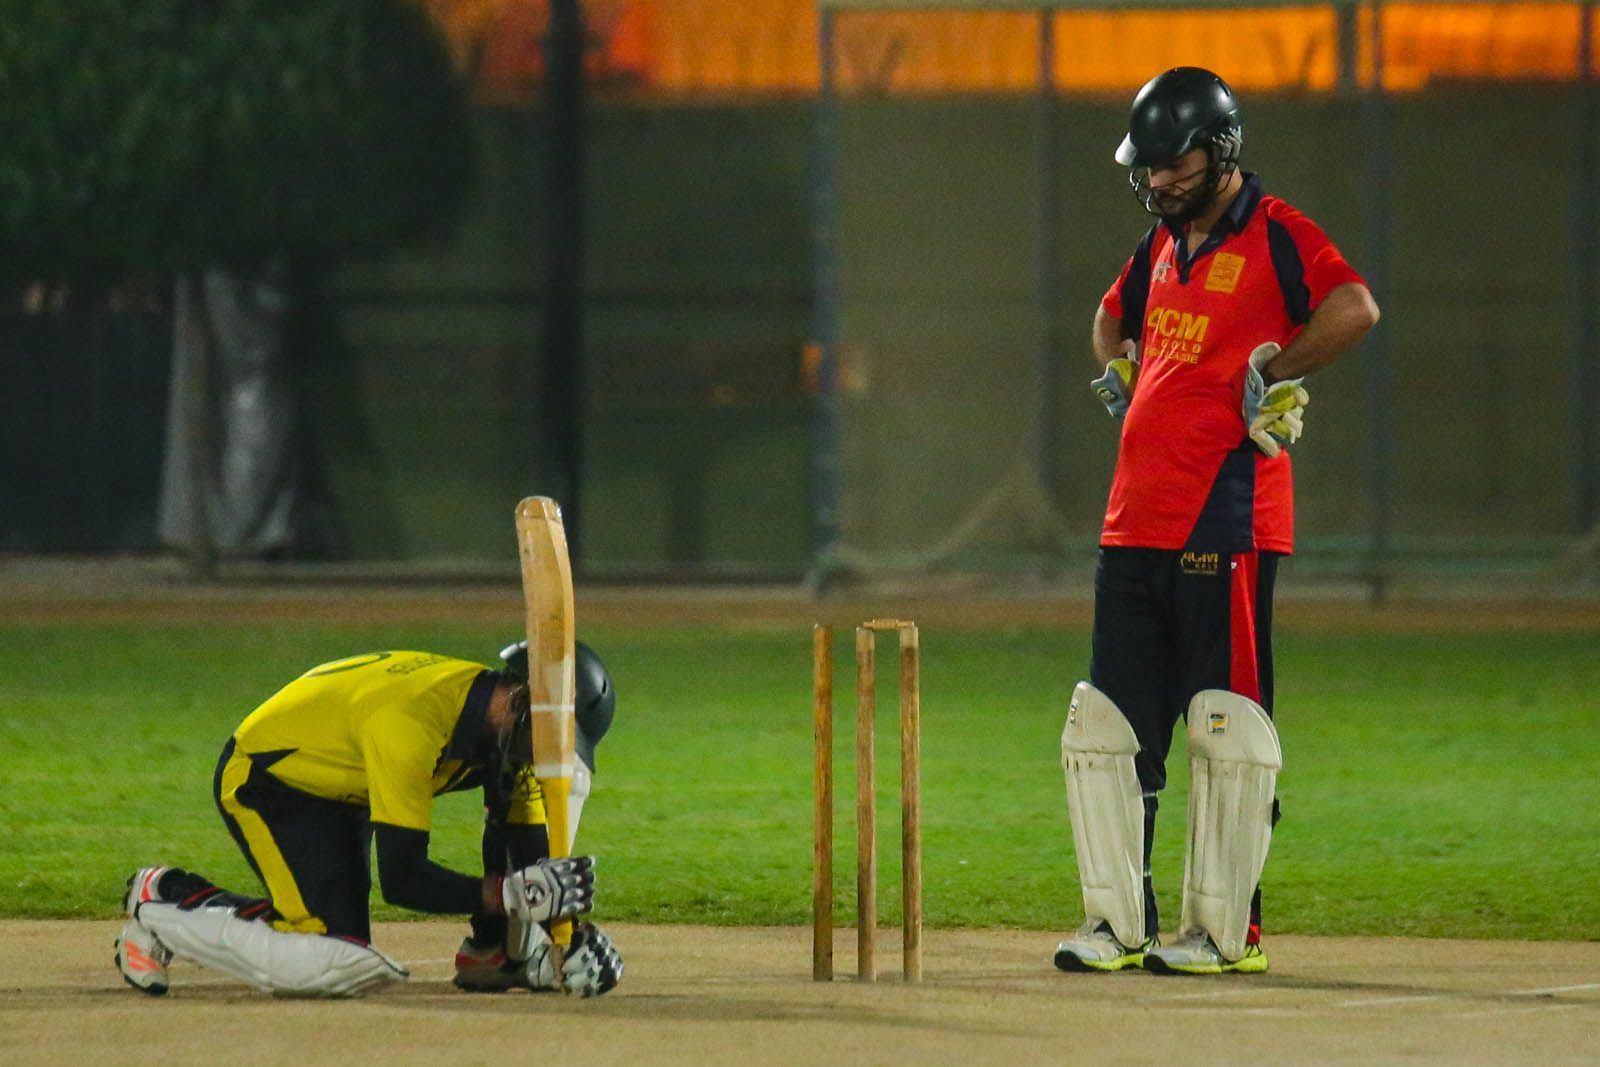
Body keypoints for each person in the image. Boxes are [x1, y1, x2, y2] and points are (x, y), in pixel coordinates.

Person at [1053, 67, 1379, 976]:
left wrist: (1275, 372)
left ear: (1221, 151)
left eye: (1174, 164)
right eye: (1150, 166)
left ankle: (1226, 932)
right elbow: (1109, 317)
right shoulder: (1158, 245)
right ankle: (1116, 923)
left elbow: (1355, 306)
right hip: (1132, 521)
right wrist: (1121, 367)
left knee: (1225, 725)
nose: (1158, 180)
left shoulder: (1278, 232)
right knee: (1108, 725)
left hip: (1225, 520)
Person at [113, 641, 623, 998]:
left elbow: (526, 847)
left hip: (344, 784)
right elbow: (402, 878)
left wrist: (566, 940)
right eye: (558, 740)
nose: (553, 758)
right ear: (526, 704)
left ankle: (494, 954)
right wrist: (512, 896)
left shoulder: (510, 730)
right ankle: (162, 901)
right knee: (327, 960)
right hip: (273, 779)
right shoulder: (414, 723)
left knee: (337, 945)